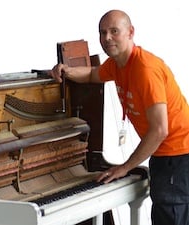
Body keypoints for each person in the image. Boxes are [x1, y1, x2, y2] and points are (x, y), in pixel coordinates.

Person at [49, 9, 189, 225]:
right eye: (102, 32)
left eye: (114, 31)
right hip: (169, 156)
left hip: (178, 156)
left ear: (130, 32)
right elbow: (92, 74)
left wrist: (125, 167)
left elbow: (160, 130)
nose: (107, 38)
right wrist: (65, 70)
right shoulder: (117, 65)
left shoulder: (145, 70)